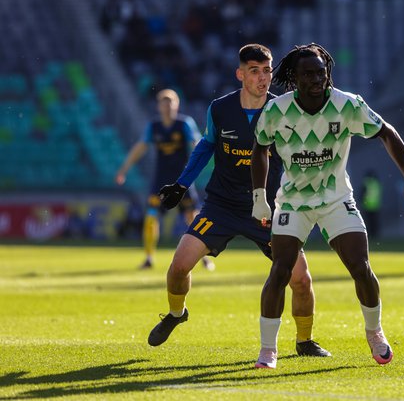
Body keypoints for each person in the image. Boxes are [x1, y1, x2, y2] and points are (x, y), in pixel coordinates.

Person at [149, 44, 330, 358]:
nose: (263, 78)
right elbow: (206, 147)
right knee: (178, 267)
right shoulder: (220, 109)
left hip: (268, 210)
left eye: (267, 70)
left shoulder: (286, 110)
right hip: (221, 206)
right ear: (240, 74)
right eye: (255, 71)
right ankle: (177, 314)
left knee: (300, 279)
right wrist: (182, 185)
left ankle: (305, 341)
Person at [251, 43, 404, 369]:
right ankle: (268, 350)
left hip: (335, 199)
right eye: (309, 74)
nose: (317, 79)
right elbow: (260, 148)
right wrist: (259, 197)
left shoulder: (347, 105)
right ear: (295, 78)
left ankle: (374, 332)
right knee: (280, 270)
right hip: (294, 201)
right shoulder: (277, 111)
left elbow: (385, 132)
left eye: (321, 72)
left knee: (361, 266)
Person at [115, 89, 215, 271]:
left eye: (171, 102)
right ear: (159, 106)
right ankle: (148, 257)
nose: (167, 106)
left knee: (193, 219)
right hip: (160, 182)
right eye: (164, 102)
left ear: (177, 105)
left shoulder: (185, 124)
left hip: (182, 181)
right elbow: (140, 147)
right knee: (151, 218)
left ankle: (204, 258)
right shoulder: (153, 127)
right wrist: (124, 169)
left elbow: (197, 144)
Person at [360, 170, 383, 238]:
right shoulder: (377, 183)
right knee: (374, 222)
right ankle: (375, 235)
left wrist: (361, 202)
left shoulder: (366, 183)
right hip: (376, 206)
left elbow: (362, 194)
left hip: (367, 205)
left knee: (368, 222)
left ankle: (369, 235)